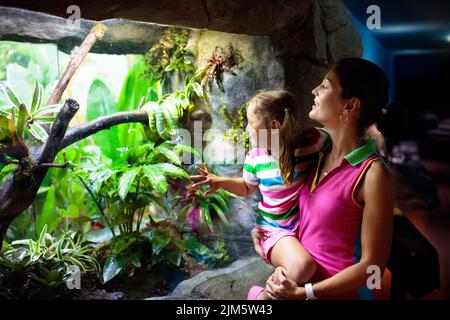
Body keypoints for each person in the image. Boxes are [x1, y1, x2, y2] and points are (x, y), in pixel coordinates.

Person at [254, 58, 394, 300]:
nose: (314, 91)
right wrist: (267, 237)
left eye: (326, 86)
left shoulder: (373, 174)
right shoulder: (315, 155)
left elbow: (373, 267)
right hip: (298, 286)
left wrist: (305, 292)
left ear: (350, 106)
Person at [189, 89, 328, 300]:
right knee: (302, 268)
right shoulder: (255, 158)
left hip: (300, 228)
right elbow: (246, 187)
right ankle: (260, 297)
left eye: (250, 123)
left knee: (302, 271)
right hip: (273, 230)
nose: (246, 130)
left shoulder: (310, 144)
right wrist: (220, 182)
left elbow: (339, 135)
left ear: (273, 127)